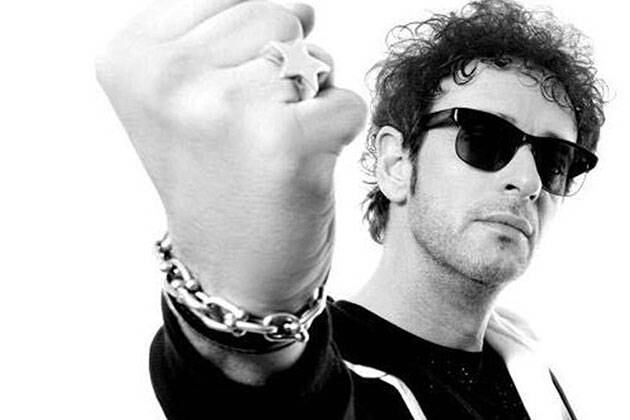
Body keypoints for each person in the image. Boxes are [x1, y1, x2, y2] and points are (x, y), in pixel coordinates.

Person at [96, 0, 605, 418]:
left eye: (555, 160)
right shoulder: (330, 369)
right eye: (484, 138)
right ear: (395, 163)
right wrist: (242, 310)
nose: (528, 181)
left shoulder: (535, 374)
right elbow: (262, 393)